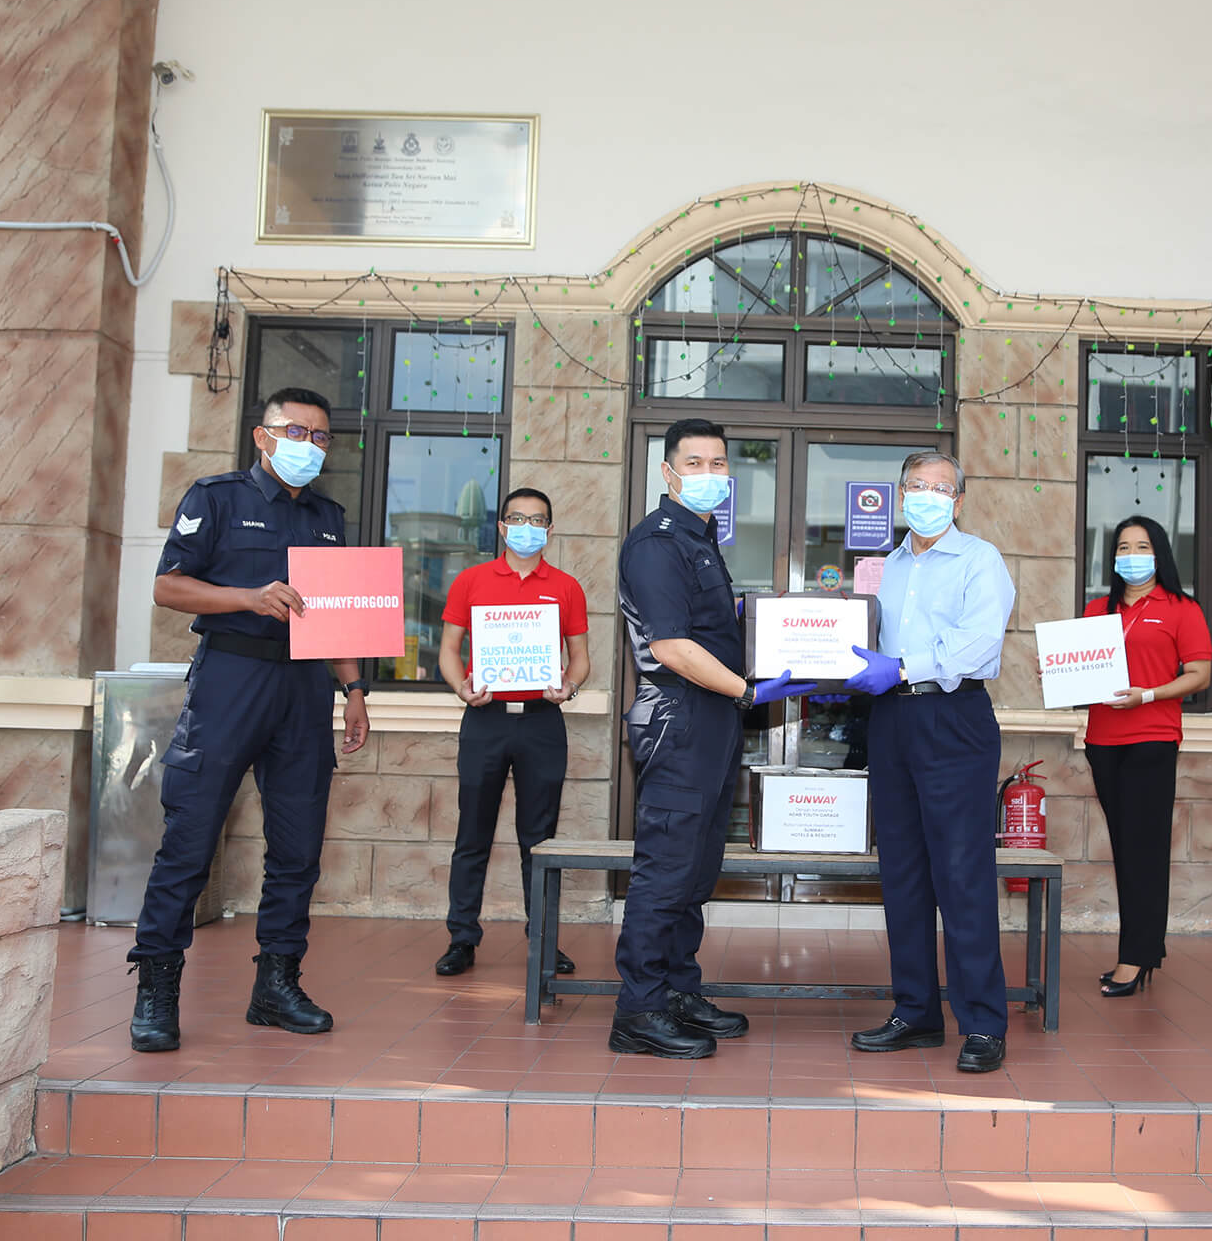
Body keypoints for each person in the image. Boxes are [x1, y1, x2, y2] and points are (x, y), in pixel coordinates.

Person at [128, 387, 370, 1053]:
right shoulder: (217, 497)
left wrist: (354, 690)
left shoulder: (328, 516)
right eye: (297, 432)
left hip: (302, 688)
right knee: (191, 837)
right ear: (263, 437)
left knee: (298, 848)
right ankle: (156, 986)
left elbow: (335, 616)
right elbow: (168, 585)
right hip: (230, 678)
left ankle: (277, 984)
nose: (310, 446)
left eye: (321, 437)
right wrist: (247, 598)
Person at [612, 418, 815, 1058]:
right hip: (680, 720)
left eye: (719, 463)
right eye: (694, 463)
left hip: (711, 722)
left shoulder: (701, 541)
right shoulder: (656, 544)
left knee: (697, 870)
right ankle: (638, 1010)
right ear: (667, 472)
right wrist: (749, 692)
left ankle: (676, 987)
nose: (709, 475)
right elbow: (670, 645)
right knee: (665, 870)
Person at [844, 452, 1017, 1073]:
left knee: (962, 872)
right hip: (892, 719)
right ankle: (915, 1011)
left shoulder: (980, 560)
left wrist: (905, 668)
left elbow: (979, 641)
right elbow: (864, 639)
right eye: (917, 485)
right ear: (898, 494)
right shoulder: (884, 566)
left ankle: (982, 1022)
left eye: (941, 488)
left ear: (959, 501)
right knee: (904, 872)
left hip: (953, 718)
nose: (927, 495)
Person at [433, 487, 590, 979]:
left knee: (539, 839)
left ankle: (542, 939)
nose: (527, 527)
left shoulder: (566, 587)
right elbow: (448, 648)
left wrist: (569, 684)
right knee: (472, 833)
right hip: (485, 719)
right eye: (518, 518)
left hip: (542, 722)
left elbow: (581, 657)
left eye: (537, 520)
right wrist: (462, 686)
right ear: (502, 527)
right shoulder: (471, 581)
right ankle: (462, 938)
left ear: (549, 530)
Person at [1078, 516, 1212, 997]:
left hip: (1152, 737)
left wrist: (1148, 695)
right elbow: (1082, 669)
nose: (1131, 554)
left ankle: (1135, 956)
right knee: (1124, 846)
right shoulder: (1097, 610)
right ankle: (1143, 950)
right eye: (1122, 546)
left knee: (1145, 849)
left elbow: (1198, 673)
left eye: (1141, 545)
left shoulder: (1181, 609)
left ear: (1159, 554)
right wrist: (1056, 670)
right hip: (1103, 741)